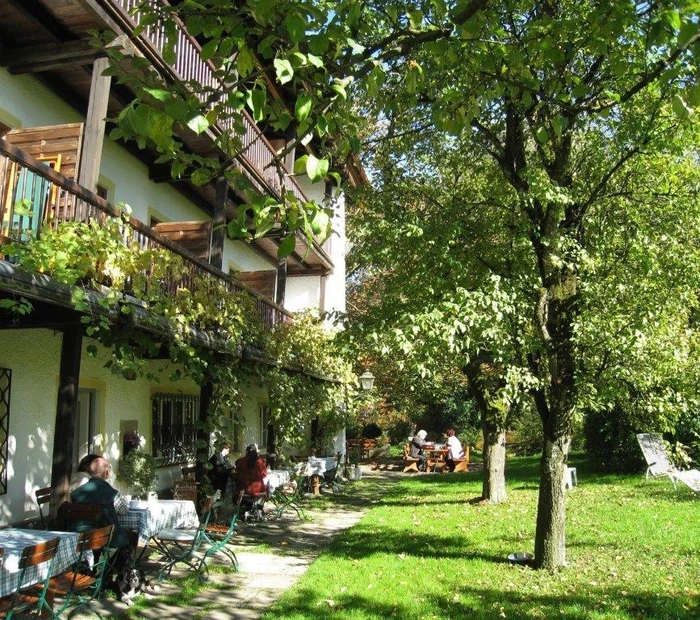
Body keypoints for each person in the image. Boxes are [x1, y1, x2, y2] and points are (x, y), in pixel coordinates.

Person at [71, 456, 138, 555]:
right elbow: (123, 511)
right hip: (106, 537)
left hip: (80, 536)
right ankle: (119, 566)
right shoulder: (112, 493)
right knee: (132, 536)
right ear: (106, 472)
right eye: (110, 468)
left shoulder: (76, 493)